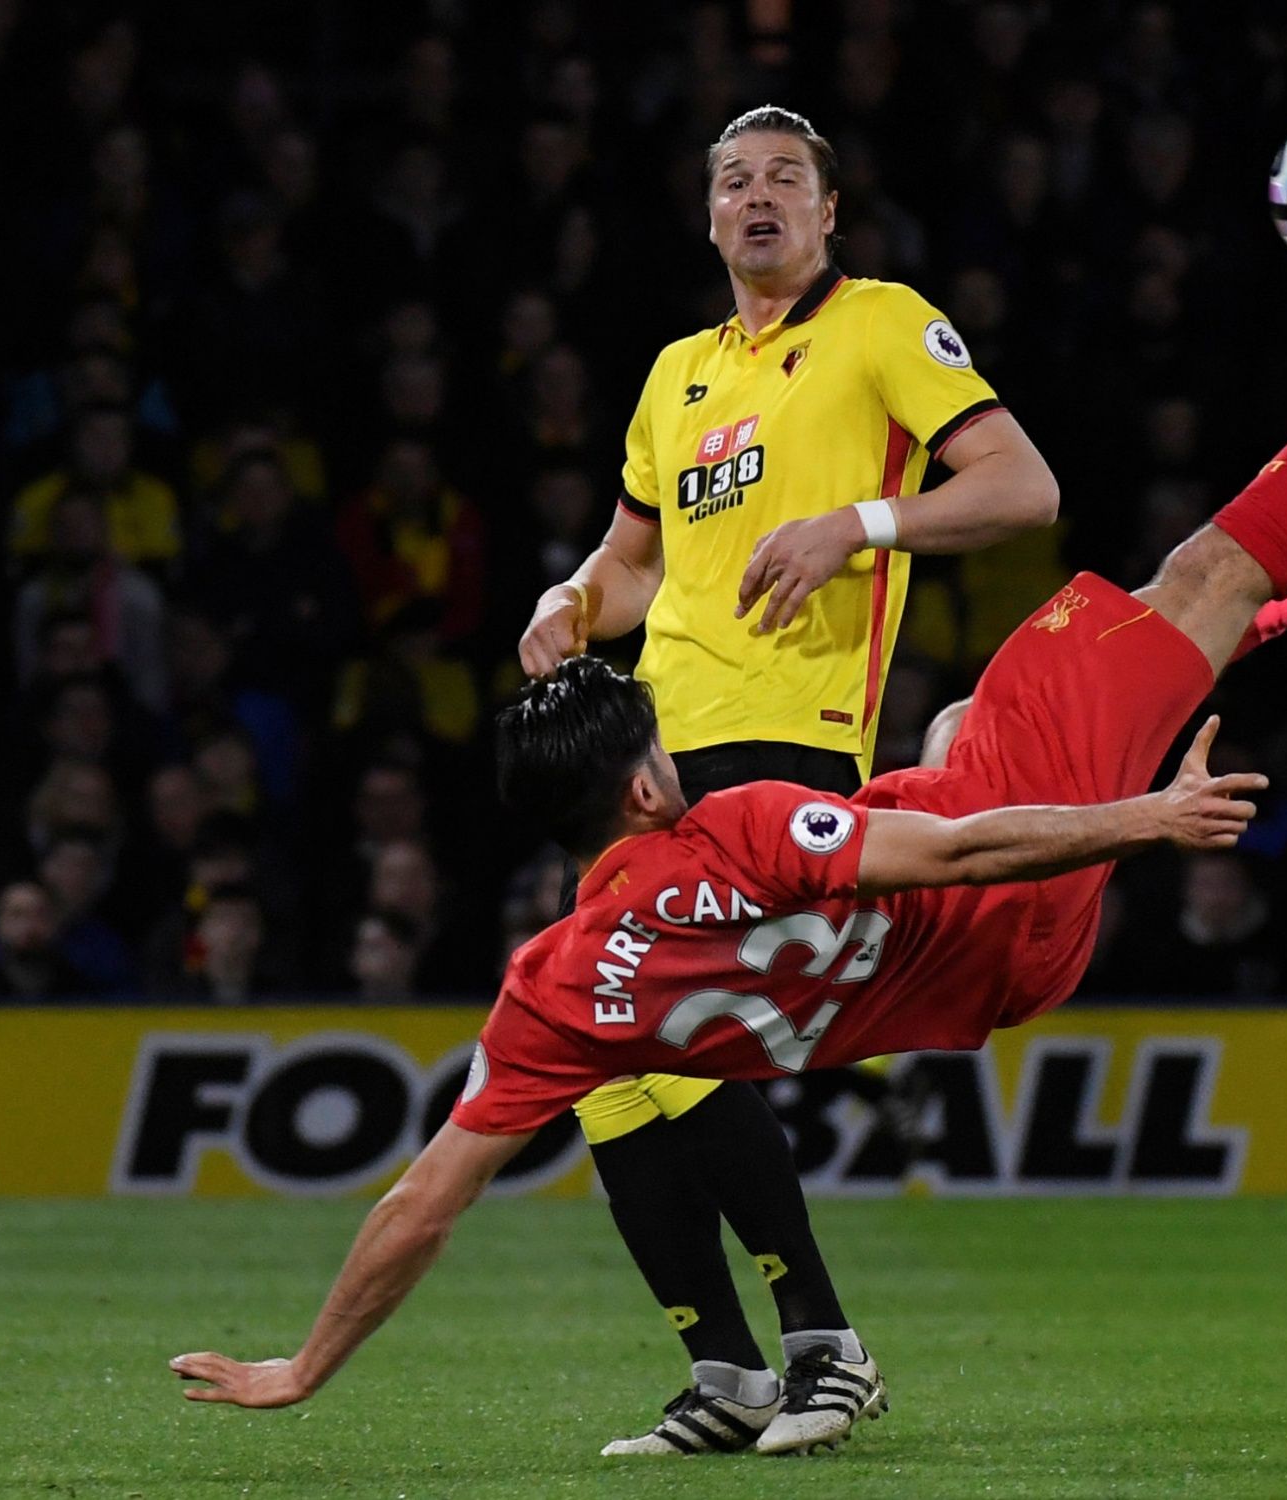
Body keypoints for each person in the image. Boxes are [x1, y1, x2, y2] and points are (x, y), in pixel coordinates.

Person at [168, 164, 1287, 1427]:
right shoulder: (741, 824)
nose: (755, 197)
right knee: (1204, 571)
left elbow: (423, 1201)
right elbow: (971, 854)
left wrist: (304, 1367)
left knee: (952, 721)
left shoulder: (553, 988)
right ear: (649, 780)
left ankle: (1258, 624)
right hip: (1003, 884)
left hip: (968, 969)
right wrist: (1146, 822)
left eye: (780, 178)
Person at [508, 105, 1064, 1457]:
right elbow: (639, 562)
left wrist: (859, 526)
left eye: (784, 182)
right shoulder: (676, 372)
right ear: (708, 220)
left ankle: (821, 1345)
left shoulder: (882, 325)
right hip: (656, 754)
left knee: (670, 1037)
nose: (758, 200)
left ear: (828, 215)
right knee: (613, 1066)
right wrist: (574, 596)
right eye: (735, 183)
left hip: (791, 739)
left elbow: (1022, 488)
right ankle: (732, 1371)